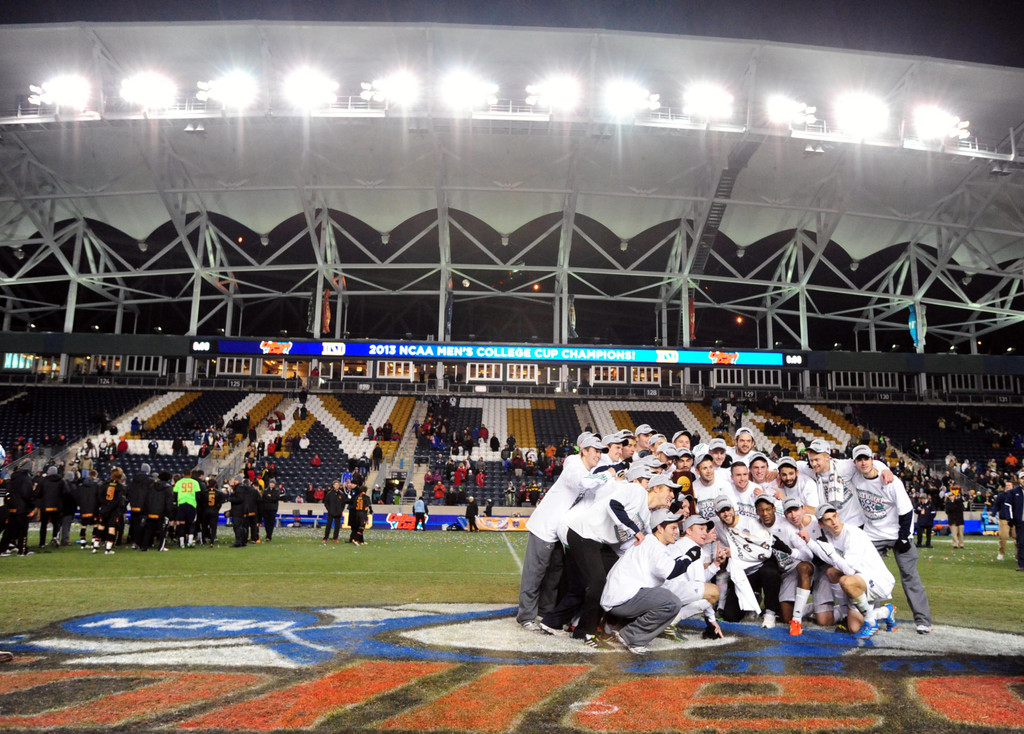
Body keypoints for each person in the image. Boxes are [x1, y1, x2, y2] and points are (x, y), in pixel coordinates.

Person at [518, 434, 605, 632]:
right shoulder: (574, 465)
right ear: (583, 450)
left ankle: (544, 612)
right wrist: (606, 474)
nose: (598, 456)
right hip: (544, 527)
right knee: (535, 574)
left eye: (601, 452)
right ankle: (526, 616)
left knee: (553, 577)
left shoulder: (589, 471)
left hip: (559, 532)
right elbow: (582, 482)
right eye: (595, 451)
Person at [849, 444, 933, 634]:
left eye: (866, 458)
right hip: (873, 534)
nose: (863, 462)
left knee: (909, 576)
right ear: (855, 462)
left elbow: (906, 510)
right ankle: (872, 617)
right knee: (867, 576)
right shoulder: (855, 477)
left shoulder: (891, 481)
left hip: (898, 533)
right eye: (859, 459)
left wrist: (904, 537)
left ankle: (923, 621)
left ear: (872, 459)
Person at [599, 509, 693, 654]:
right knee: (672, 602)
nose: (677, 532)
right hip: (622, 600)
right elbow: (671, 572)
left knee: (661, 596)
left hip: (617, 599)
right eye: (673, 528)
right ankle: (631, 637)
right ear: (660, 528)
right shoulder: (654, 545)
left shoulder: (650, 542)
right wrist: (689, 558)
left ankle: (613, 627)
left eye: (677, 528)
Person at [806, 503, 897, 639]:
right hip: (859, 583)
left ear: (838, 515)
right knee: (854, 628)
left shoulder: (853, 534)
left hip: (878, 581)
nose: (834, 522)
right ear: (821, 524)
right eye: (828, 519)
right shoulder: (830, 537)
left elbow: (848, 569)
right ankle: (885, 611)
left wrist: (831, 553)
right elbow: (828, 556)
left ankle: (871, 622)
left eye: (835, 516)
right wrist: (808, 541)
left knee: (845, 580)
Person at [664, 514, 726, 640]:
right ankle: (669, 623)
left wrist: (716, 564)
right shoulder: (693, 549)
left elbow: (698, 581)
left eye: (706, 529)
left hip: (662, 593)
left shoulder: (679, 544)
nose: (705, 533)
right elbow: (703, 589)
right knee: (713, 592)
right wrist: (712, 620)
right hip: (671, 595)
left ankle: (665, 621)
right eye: (701, 529)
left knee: (706, 590)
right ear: (688, 530)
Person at [0, 464, 37, 557]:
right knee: (23, 530)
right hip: (22, 509)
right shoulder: (26, 479)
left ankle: (1, 550)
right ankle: (22, 550)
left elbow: (8, 493)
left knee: (9, 531)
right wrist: (31, 506)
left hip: (12, 508)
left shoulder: (13, 478)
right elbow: (26, 494)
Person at [92, 467, 127, 555]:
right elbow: (120, 500)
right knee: (112, 528)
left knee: (101, 526)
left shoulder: (104, 484)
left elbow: (99, 497)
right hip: (114, 510)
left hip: (104, 508)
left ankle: (95, 547)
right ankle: (108, 549)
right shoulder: (121, 487)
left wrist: (105, 505)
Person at [172, 469, 201, 548]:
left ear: (183, 474)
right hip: (191, 504)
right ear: (190, 474)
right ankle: (190, 542)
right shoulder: (195, 482)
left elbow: (175, 495)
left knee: (181, 524)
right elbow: (198, 495)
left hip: (181, 504)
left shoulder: (179, 482)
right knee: (192, 523)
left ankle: (181, 543)